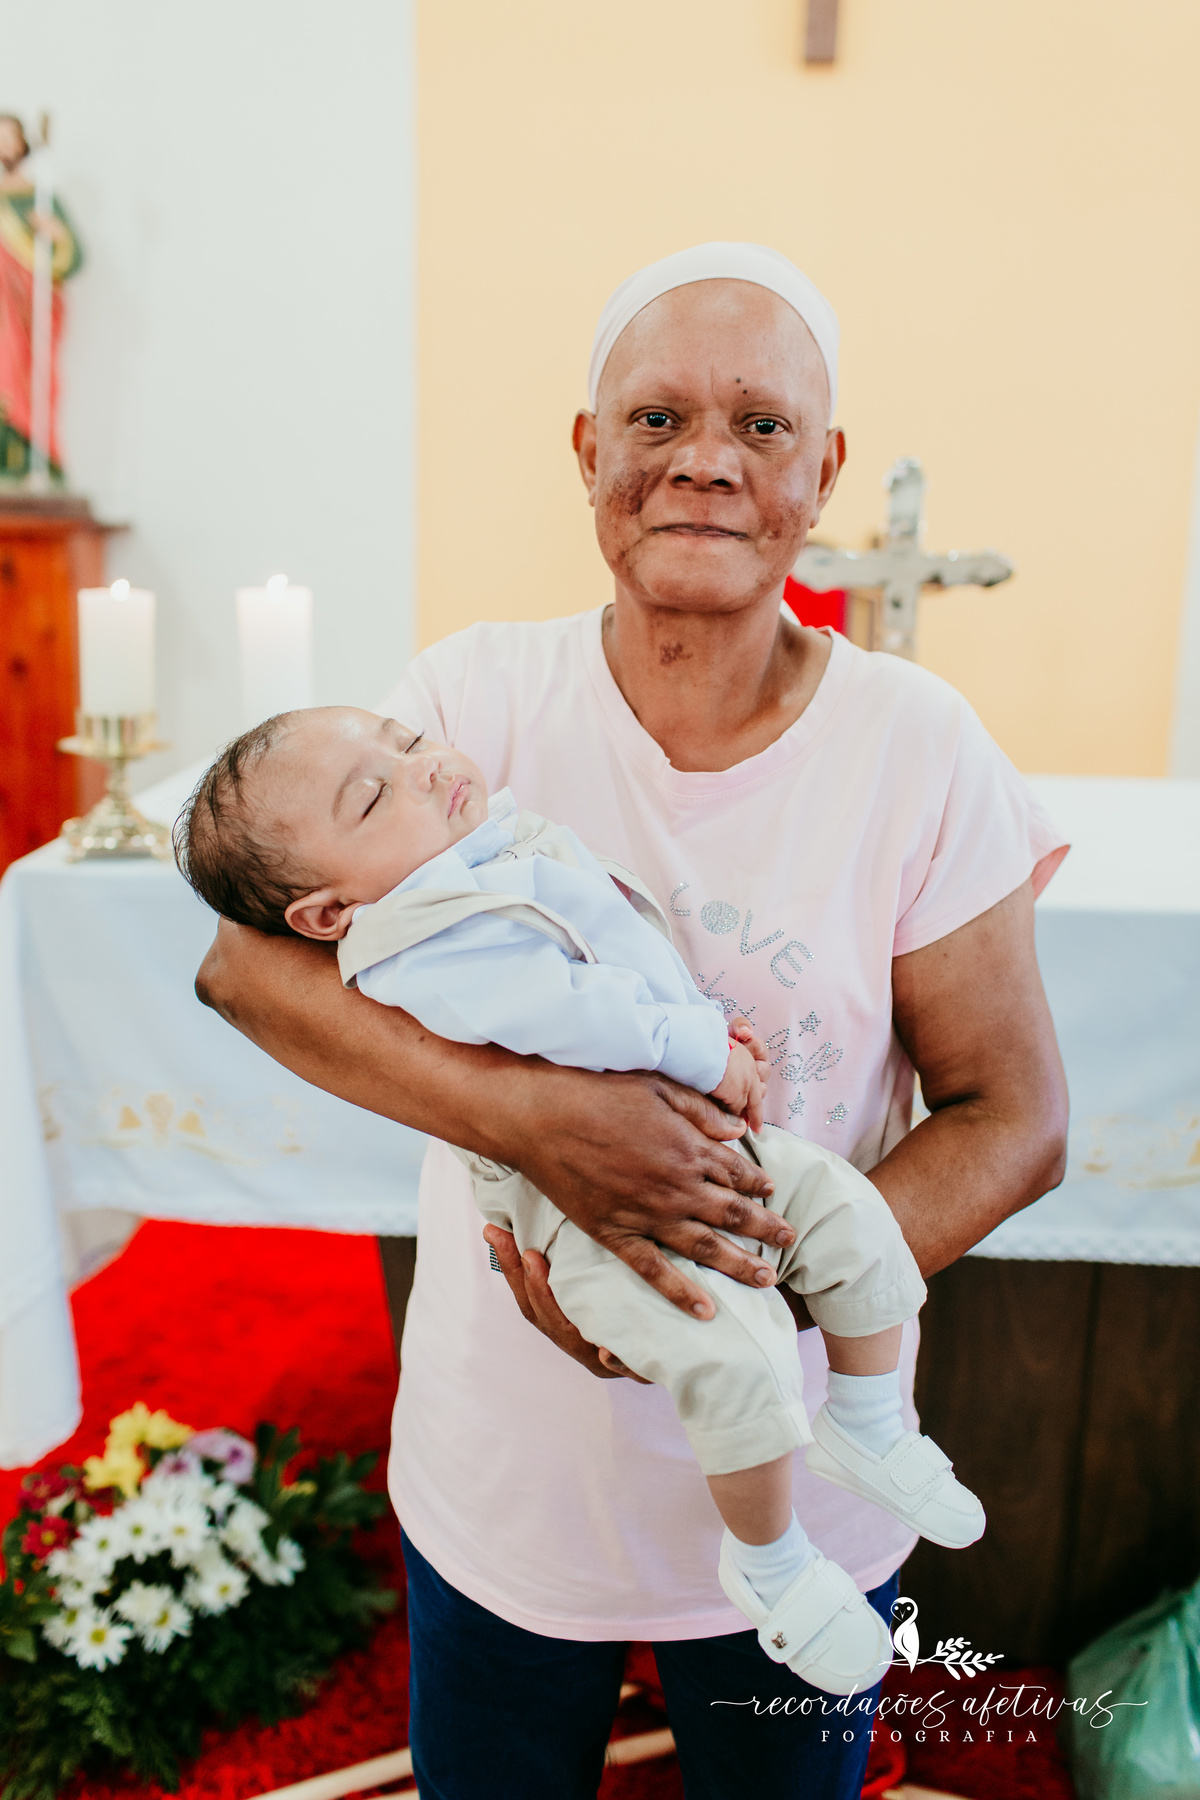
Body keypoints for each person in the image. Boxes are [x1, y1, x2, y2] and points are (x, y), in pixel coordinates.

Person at [195, 242, 1069, 1799]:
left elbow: (1015, 1117)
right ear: (588, 451)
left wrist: (739, 1302)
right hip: (510, 1477)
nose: (705, 462)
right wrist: (545, 1126)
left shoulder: (915, 743)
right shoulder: (467, 707)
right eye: (656, 419)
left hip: (803, 1465)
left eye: (762, 425)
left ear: (825, 471)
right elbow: (245, 968)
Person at [175, 706, 987, 1695]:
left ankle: (866, 1421)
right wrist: (702, 1048)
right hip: (581, 1212)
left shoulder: (482, 856)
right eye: (375, 793)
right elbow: (564, 1012)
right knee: (734, 1357)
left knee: (854, 1220)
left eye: (406, 740)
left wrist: (703, 1031)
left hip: (711, 1140)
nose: (421, 765)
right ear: (326, 914)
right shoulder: (414, 938)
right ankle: (770, 1563)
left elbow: (620, 953)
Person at [0, 115, 82, 481]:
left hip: (31, 311)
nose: (4, 146)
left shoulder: (43, 199)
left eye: (9, 138)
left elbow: (74, 259)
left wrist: (55, 233)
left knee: (32, 380)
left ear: (23, 145)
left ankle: (38, 459)